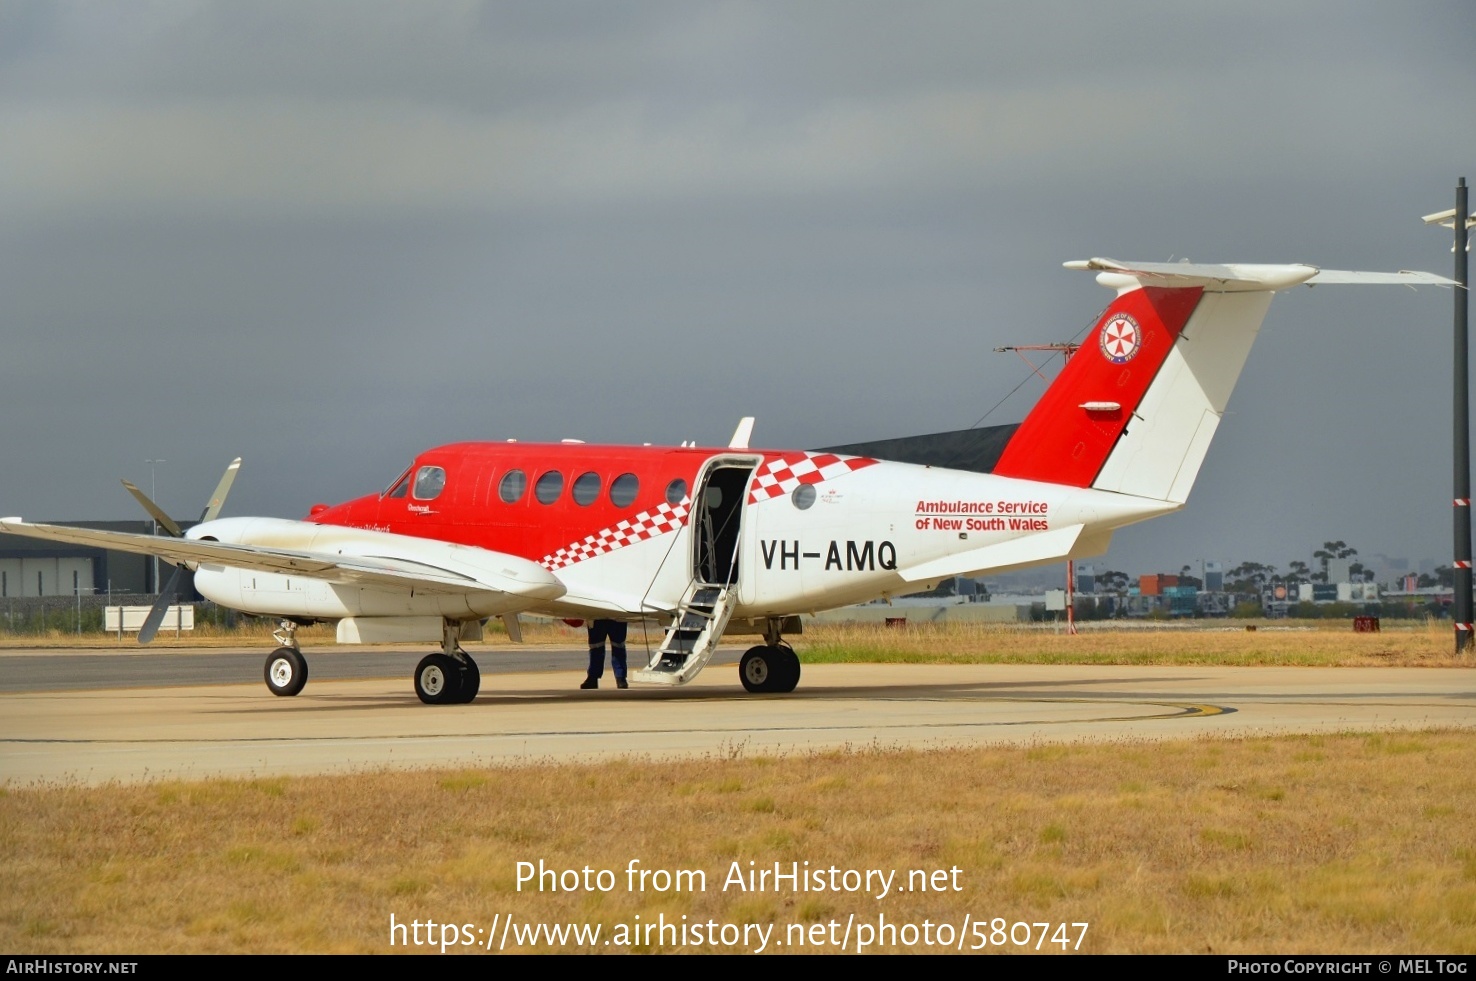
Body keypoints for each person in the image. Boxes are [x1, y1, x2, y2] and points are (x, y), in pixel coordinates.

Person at [581, 618, 628, 689]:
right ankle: (593, 678)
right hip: (596, 615)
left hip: (616, 615)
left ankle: (620, 678)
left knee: (618, 645)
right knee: (596, 646)